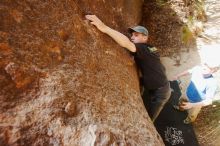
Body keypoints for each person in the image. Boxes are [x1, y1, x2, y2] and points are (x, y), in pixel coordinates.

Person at [85, 15, 171, 122]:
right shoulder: (150, 49)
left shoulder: (144, 49)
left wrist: (104, 28)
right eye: (132, 35)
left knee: (149, 119)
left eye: (136, 35)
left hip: (161, 93)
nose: (132, 37)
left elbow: (127, 43)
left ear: (145, 38)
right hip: (157, 84)